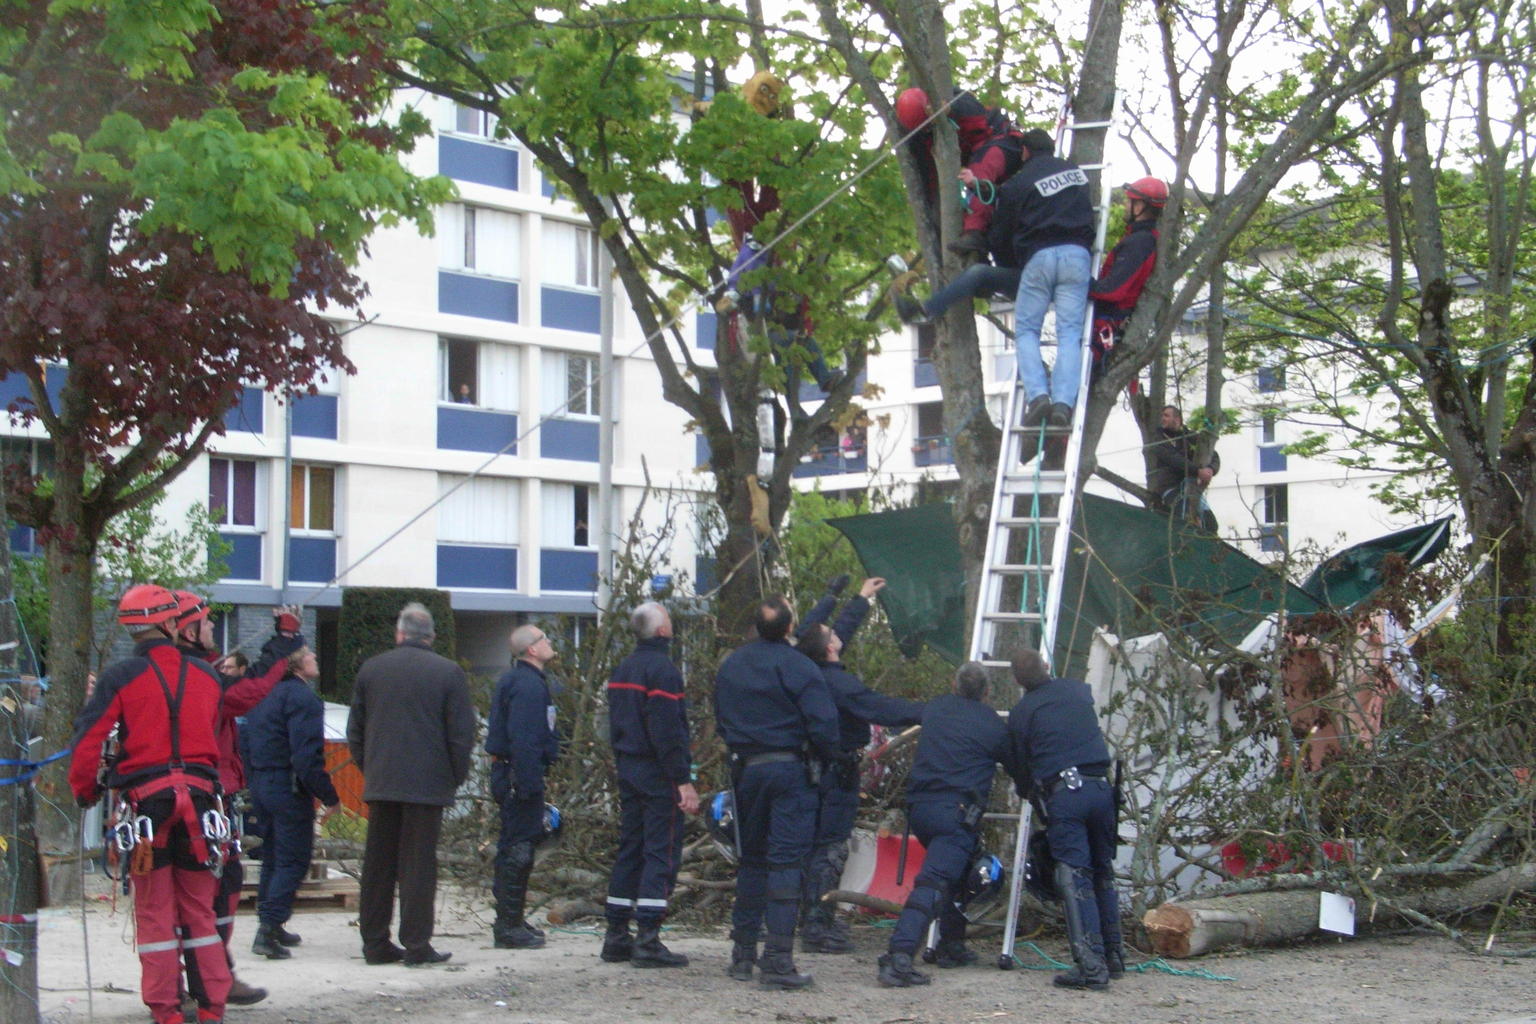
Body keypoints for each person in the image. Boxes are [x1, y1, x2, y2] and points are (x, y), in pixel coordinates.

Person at [67, 584, 232, 1024]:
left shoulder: (120, 677)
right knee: (199, 910)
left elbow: (88, 742)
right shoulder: (208, 677)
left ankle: (167, 1011)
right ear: (171, 622)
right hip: (201, 804)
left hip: (147, 807)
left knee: (156, 912)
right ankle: (212, 1007)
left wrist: (85, 791)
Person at [169, 593, 303, 1011]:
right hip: (199, 797)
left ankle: (203, 979)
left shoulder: (180, 671)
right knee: (209, 889)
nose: (213, 627)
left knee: (206, 889)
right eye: (207, 622)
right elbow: (250, 689)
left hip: (188, 795)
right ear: (187, 630)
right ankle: (200, 982)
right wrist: (284, 639)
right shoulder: (197, 677)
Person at [715, 596, 841, 989]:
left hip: (746, 770)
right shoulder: (799, 666)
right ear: (789, 628)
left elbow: (721, 720)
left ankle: (742, 954)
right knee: (786, 863)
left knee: (751, 860)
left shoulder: (732, 665)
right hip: (790, 770)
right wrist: (828, 762)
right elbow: (824, 724)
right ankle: (778, 961)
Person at [793, 578, 923, 954]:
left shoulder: (805, 668)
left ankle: (806, 917)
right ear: (829, 648)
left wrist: (861, 600)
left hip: (811, 771)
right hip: (835, 774)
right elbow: (880, 707)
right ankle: (817, 925)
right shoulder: (838, 684)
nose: (838, 634)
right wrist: (935, 711)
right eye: (832, 634)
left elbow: (827, 634)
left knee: (810, 847)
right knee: (830, 848)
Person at [347, 603, 476, 967]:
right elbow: (461, 734)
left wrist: (371, 767)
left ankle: (375, 943)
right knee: (418, 866)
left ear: (399, 634)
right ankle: (417, 944)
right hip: (427, 784)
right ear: (431, 636)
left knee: (378, 865)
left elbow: (355, 730)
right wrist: (454, 776)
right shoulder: (448, 672)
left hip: (383, 780)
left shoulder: (372, 669)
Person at [878, 662, 1014, 988]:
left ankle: (951, 944)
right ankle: (899, 957)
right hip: (956, 815)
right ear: (987, 693)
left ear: (954, 686)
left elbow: (896, 710)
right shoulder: (992, 725)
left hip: (922, 811)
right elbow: (1017, 765)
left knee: (960, 870)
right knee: (934, 882)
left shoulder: (936, 709)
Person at [1006, 649, 1121, 990]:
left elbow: (1020, 766)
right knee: (1103, 872)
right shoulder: (1077, 690)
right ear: (1046, 665)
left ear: (1016, 680)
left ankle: (1090, 965)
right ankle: (1114, 956)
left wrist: (1031, 794)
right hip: (1101, 789)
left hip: (1066, 795)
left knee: (1074, 875)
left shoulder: (1021, 713)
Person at [601, 602, 698, 968]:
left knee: (631, 847)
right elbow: (667, 730)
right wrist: (682, 779)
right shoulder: (663, 671)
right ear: (662, 631)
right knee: (661, 851)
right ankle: (648, 938)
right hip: (657, 772)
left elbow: (614, 723)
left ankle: (616, 934)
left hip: (628, 766)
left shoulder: (623, 669)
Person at [241, 645, 341, 959]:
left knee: (272, 855)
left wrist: (254, 779)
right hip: (288, 786)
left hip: (262, 782)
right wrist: (328, 794)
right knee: (294, 859)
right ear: (296, 664)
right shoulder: (303, 699)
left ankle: (271, 920)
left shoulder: (262, 696)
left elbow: (245, 741)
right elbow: (306, 755)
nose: (315, 658)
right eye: (310, 655)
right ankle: (268, 929)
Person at [991, 128, 1095, 428]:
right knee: (1070, 334)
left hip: (1038, 258)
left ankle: (1038, 397)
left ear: (1025, 152)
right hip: (1077, 255)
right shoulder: (1077, 174)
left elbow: (1000, 234)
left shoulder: (1017, 183)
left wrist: (1010, 267)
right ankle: (1063, 404)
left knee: (1027, 330)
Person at [485, 623, 562, 950]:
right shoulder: (528, 686)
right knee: (519, 847)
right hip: (518, 774)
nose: (549, 642)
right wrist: (529, 781)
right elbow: (525, 737)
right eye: (544, 638)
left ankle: (512, 917)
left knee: (514, 845)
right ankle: (508, 926)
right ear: (532, 648)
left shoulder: (518, 680)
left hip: (512, 771)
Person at [894, 87, 1026, 258]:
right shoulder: (922, 138)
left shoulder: (958, 101)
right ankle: (980, 251)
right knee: (973, 187)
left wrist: (949, 109)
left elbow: (974, 112)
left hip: (1002, 140)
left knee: (977, 174)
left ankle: (974, 233)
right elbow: (930, 177)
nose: (929, 129)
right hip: (979, 156)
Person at [1089, 177, 1167, 349]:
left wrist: (1079, 281)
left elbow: (1111, 291)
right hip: (1112, 323)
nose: (1125, 205)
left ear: (1139, 206)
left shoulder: (1138, 243)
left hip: (1109, 325)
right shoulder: (1145, 238)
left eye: (1128, 201)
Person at [1146, 405, 1220, 528]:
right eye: (1162, 416)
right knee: (1185, 520)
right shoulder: (1158, 440)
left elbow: (1213, 454)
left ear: (1177, 419)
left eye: (1166, 416)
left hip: (1192, 487)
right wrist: (1198, 471)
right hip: (1170, 487)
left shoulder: (1190, 437)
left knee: (1210, 524)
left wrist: (1211, 469)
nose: (1162, 419)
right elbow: (1174, 459)